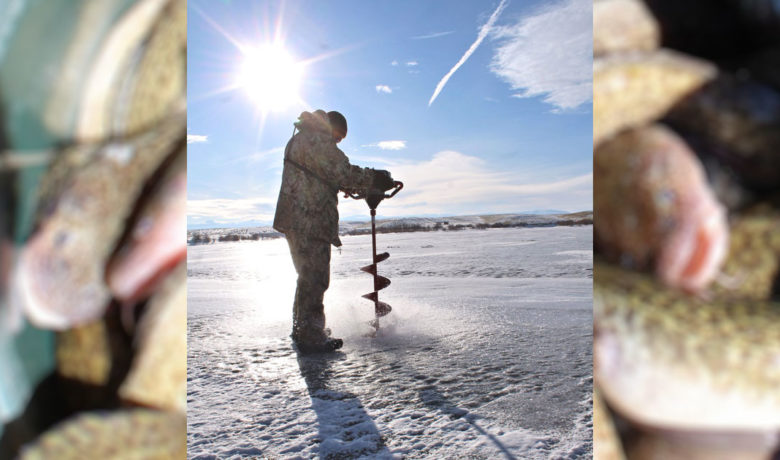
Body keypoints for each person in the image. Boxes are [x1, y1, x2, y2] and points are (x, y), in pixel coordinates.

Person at [273, 110, 395, 352]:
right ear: (329, 127)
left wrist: (343, 185)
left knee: (307, 278)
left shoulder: (303, 138)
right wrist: (375, 178)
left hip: (298, 218)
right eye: (338, 137)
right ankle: (310, 336)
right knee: (315, 278)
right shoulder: (317, 140)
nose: (337, 142)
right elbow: (343, 172)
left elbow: (324, 175)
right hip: (309, 218)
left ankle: (305, 329)